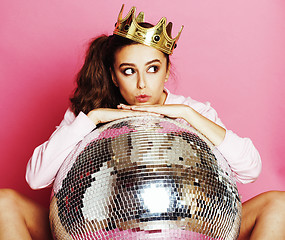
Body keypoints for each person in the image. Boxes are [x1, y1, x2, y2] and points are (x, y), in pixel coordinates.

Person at [0, 5, 284, 240]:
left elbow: (251, 169)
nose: (141, 84)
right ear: (113, 76)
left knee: (278, 206)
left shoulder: (192, 111)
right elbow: (36, 178)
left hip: (187, 230)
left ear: (166, 69)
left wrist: (185, 114)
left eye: (152, 68)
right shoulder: (89, 114)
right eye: (128, 71)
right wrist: (95, 118)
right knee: (4, 204)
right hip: (100, 230)